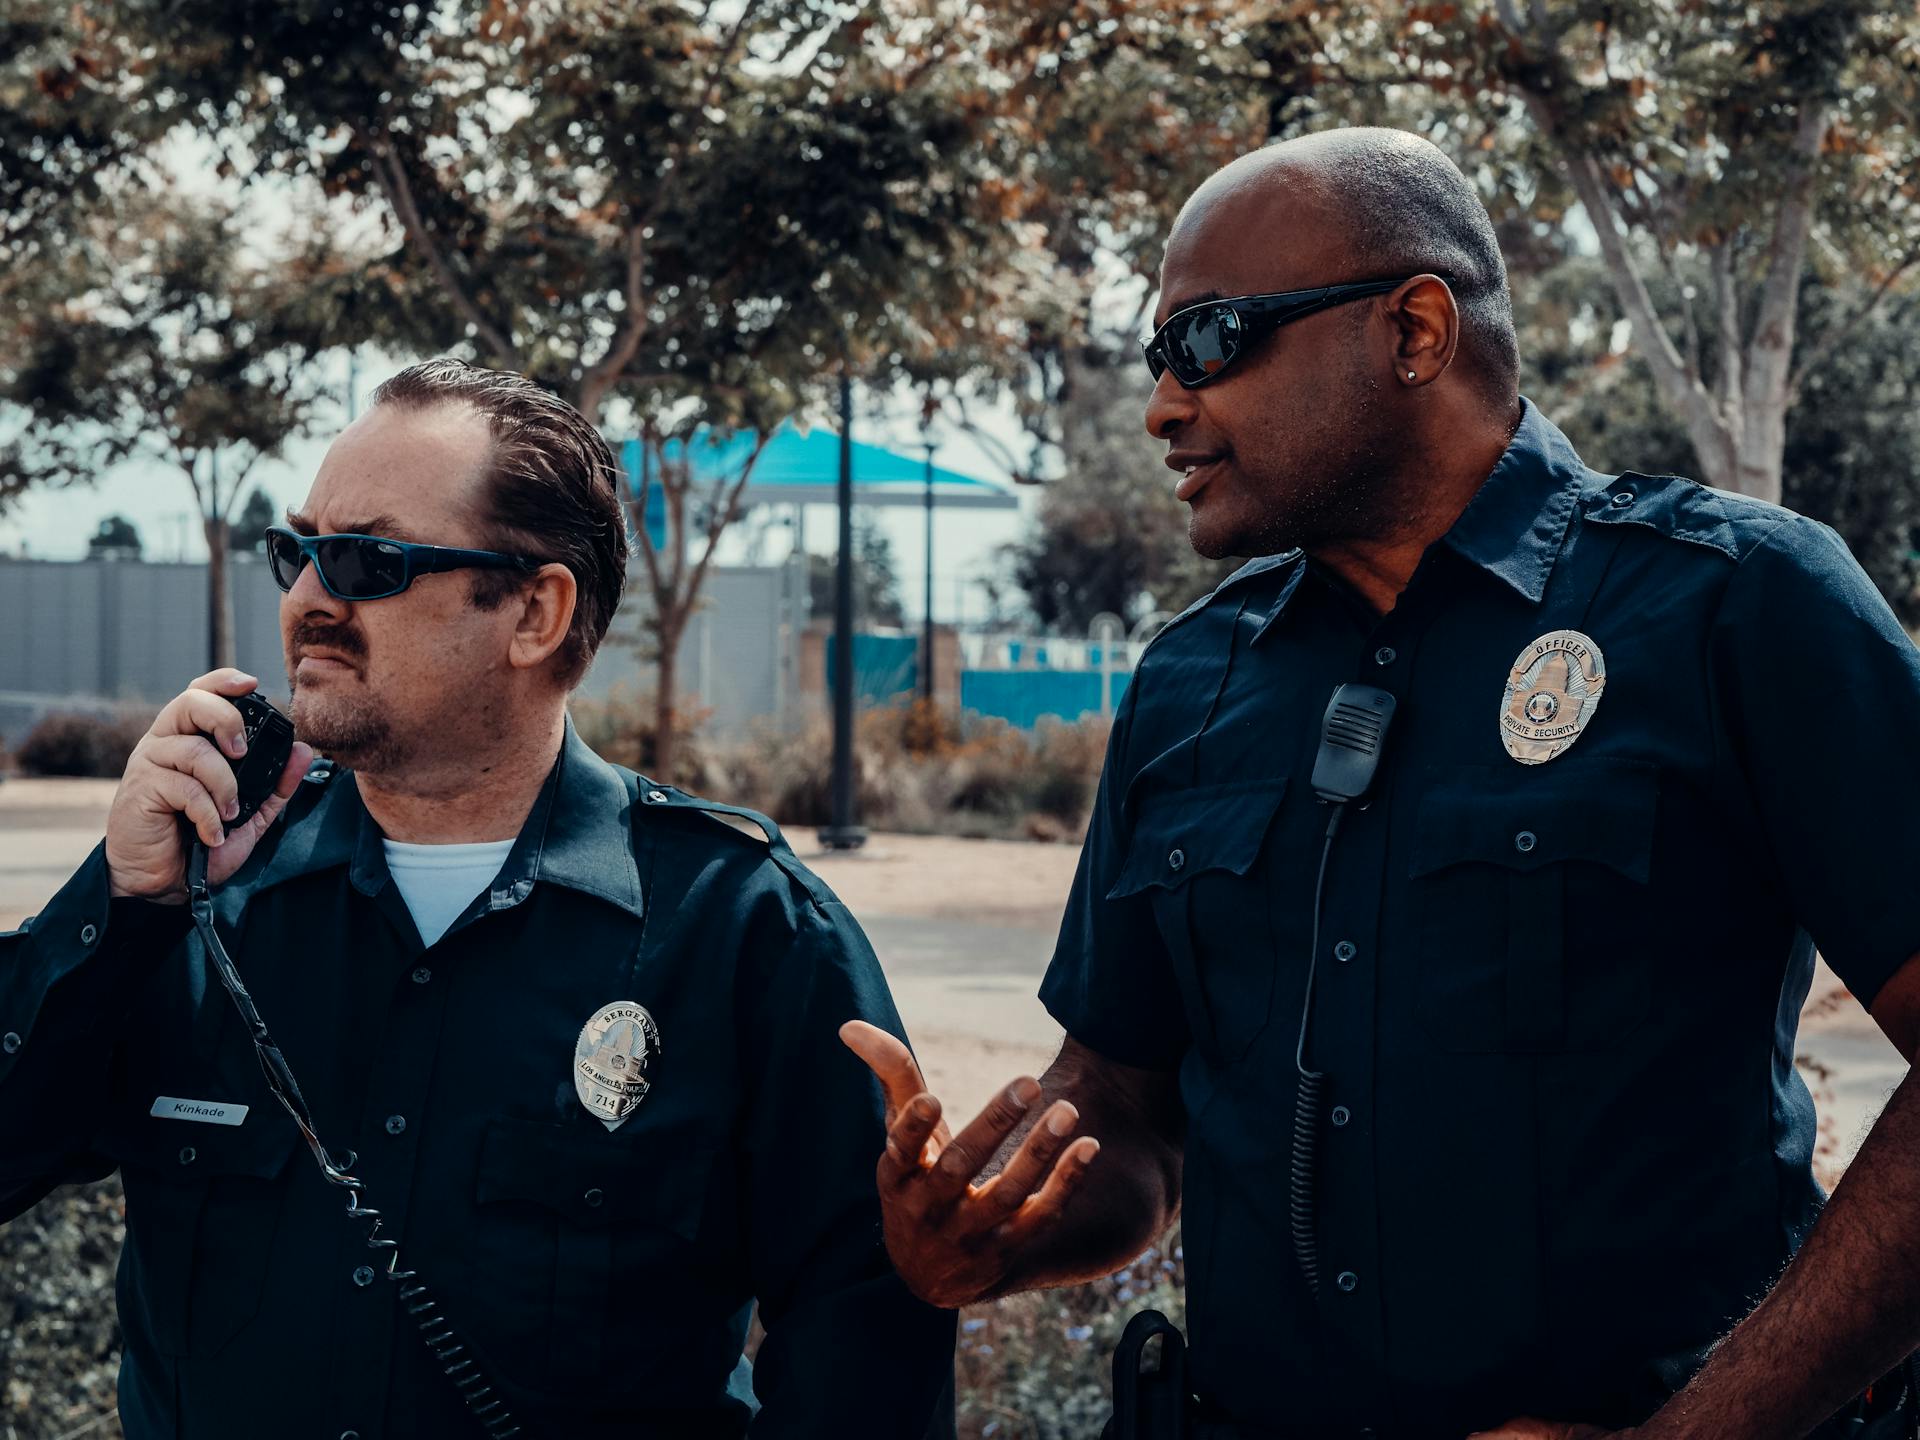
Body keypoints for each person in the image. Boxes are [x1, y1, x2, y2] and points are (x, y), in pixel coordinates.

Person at [844, 127, 1920, 1440]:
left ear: (1415, 330)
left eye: (1209, 342)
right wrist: (993, 1228)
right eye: (1155, 359)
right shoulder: (1192, 679)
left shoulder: (1738, 607)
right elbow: (1128, 1110)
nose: (1165, 408)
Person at [0, 360, 954, 1438]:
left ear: (535, 612)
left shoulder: (747, 936)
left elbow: (865, 1344)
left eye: (367, 559)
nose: (310, 597)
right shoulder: (191, 896)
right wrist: (121, 905)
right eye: (296, 551)